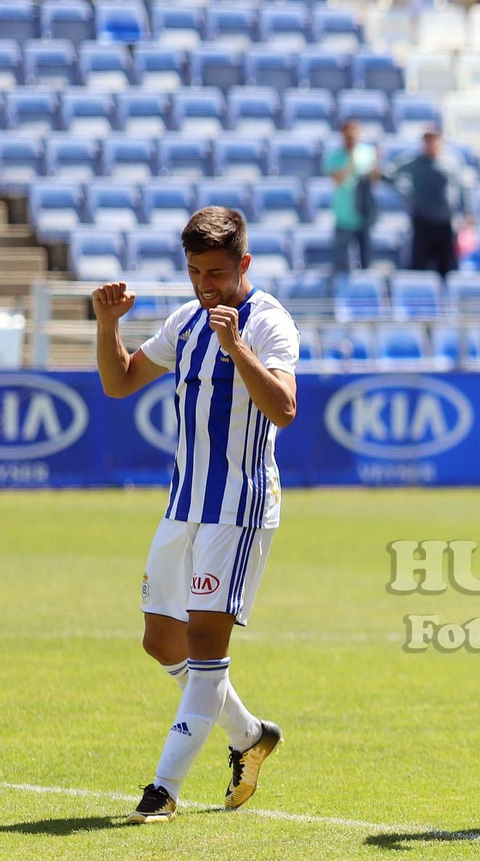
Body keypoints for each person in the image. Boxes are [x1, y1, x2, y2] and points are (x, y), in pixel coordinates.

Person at [90, 207, 299, 823]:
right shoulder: (184, 321)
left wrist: (237, 349)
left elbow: (284, 408)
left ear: (244, 264)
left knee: (206, 644)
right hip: (184, 505)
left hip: (238, 509)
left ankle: (163, 788)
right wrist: (107, 324)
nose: (206, 285)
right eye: (194, 272)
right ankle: (250, 733)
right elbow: (120, 382)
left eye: (216, 272)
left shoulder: (270, 322)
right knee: (161, 641)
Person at [387, 128, 474, 278]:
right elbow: (390, 174)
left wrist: (467, 213)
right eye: (428, 141)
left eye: (434, 140)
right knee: (419, 267)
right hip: (423, 222)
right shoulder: (415, 162)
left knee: (447, 269)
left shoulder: (451, 162)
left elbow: (462, 188)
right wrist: (405, 192)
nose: (432, 145)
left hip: (445, 224)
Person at [324, 118, 378, 277]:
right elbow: (336, 179)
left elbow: (374, 180)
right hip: (344, 215)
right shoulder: (335, 156)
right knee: (341, 262)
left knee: (366, 260)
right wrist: (350, 164)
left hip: (364, 213)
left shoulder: (369, 152)